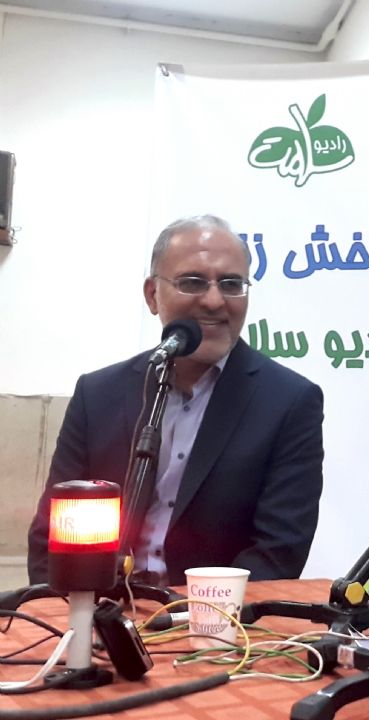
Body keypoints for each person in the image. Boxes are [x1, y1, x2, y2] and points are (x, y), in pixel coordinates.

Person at [27, 215, 324, 586]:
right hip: (98, 607)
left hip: (212, 616)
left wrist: (187, 613)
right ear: (152, 295)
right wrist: (66, 610)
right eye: (193, 282)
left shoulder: (289, 402)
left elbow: (278, 552)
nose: (214, 300)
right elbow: (51, 536)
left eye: (231, 284)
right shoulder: (98, 393)